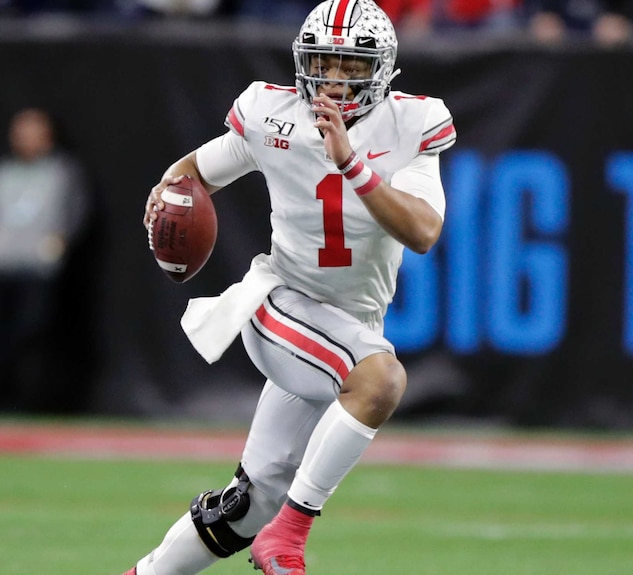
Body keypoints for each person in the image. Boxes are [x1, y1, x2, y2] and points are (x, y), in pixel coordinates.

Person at [122, 1, 456, 574]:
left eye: (351, 67)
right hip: (280, 303)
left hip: (343, 329)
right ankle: (290, 535)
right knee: (379, 380)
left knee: (245, 507)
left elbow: (423, 231)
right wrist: (166, 194)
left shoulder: (412, 123)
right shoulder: (272, 115)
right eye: (324, 64)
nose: (334, 80)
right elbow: (194, 170)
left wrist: (352, 164)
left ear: (381, 69)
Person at [0, 107, 93, 411]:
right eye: (21, 130)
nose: (26, 137)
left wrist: (58, 243)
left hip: (38, 273)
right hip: (5, 269)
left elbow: (76, 213)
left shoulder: (62, 172)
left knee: (34, 338)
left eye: (34, 129)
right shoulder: (6, 172)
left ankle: (31, 406)